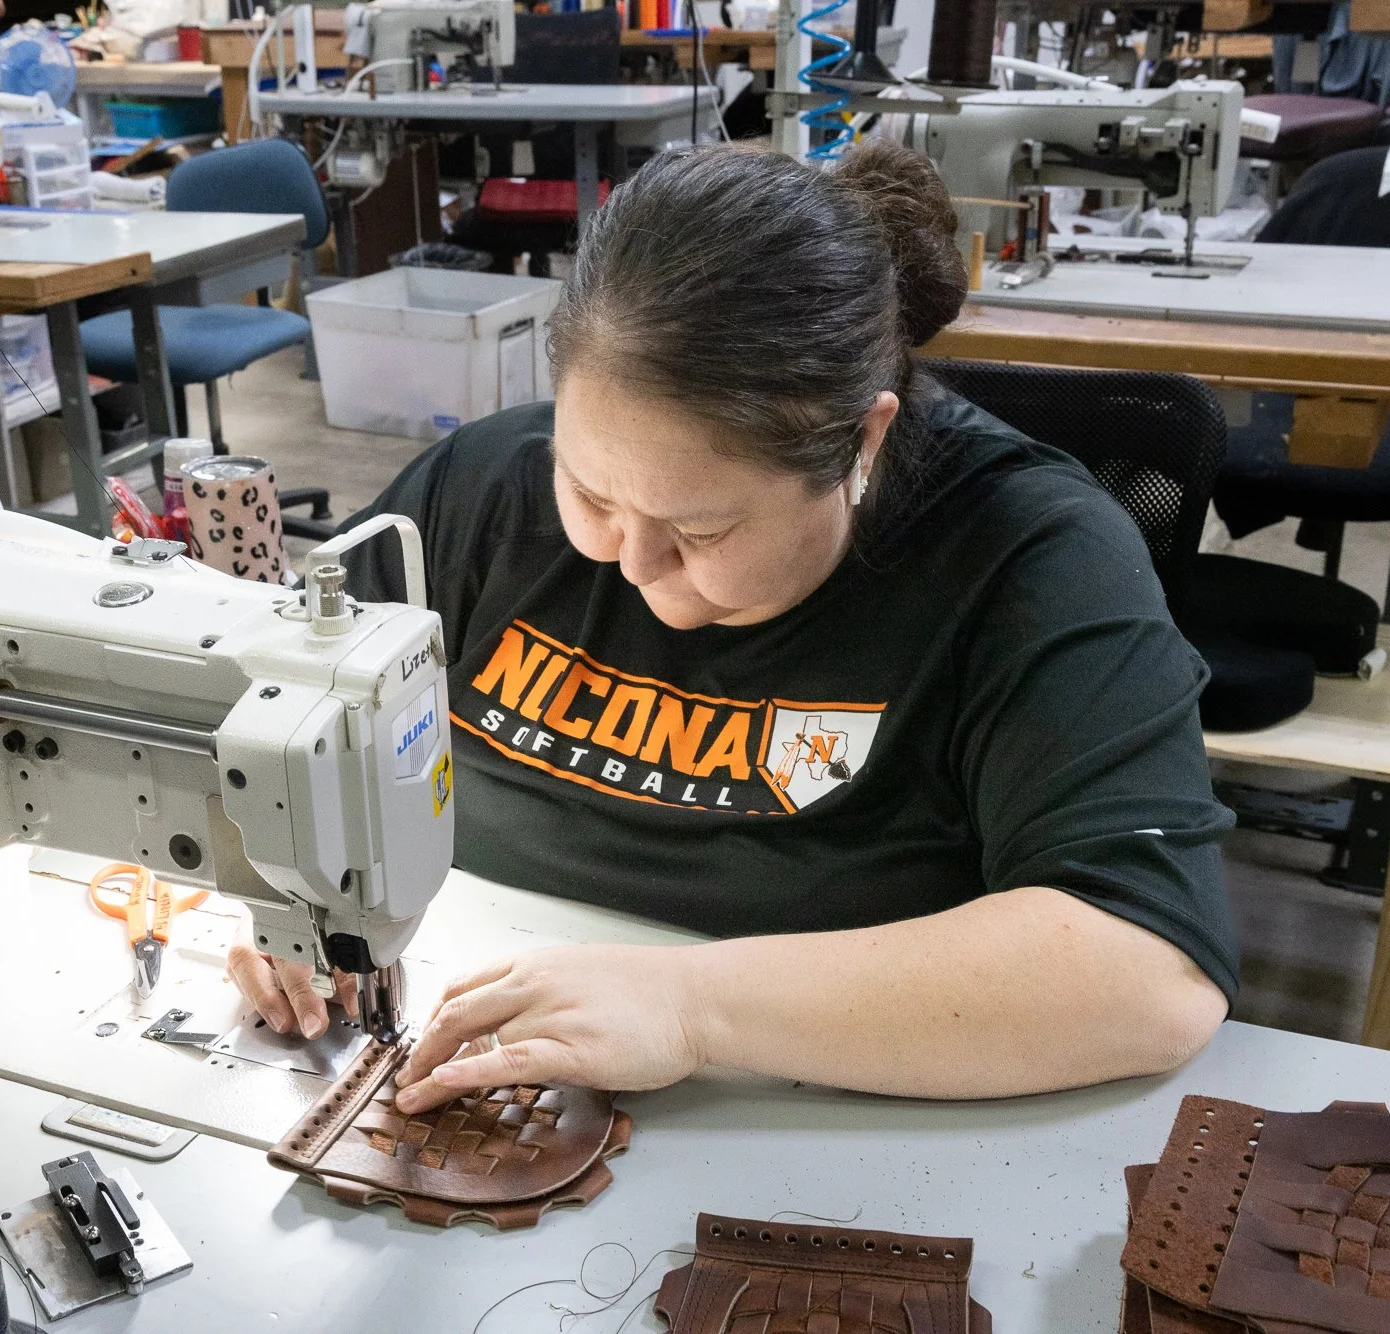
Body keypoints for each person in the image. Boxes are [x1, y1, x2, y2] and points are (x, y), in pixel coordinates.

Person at [228, 140, 1238, 1114]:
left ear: (861, 440)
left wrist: (688, 1004)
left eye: (698, 528)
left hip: (815, 1107)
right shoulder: (479, 492)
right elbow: (277, 724)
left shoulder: (1030, 558)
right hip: (486, 1040)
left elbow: (1146, 970)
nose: (627, 562)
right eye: (587, 491)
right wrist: (274, 893)